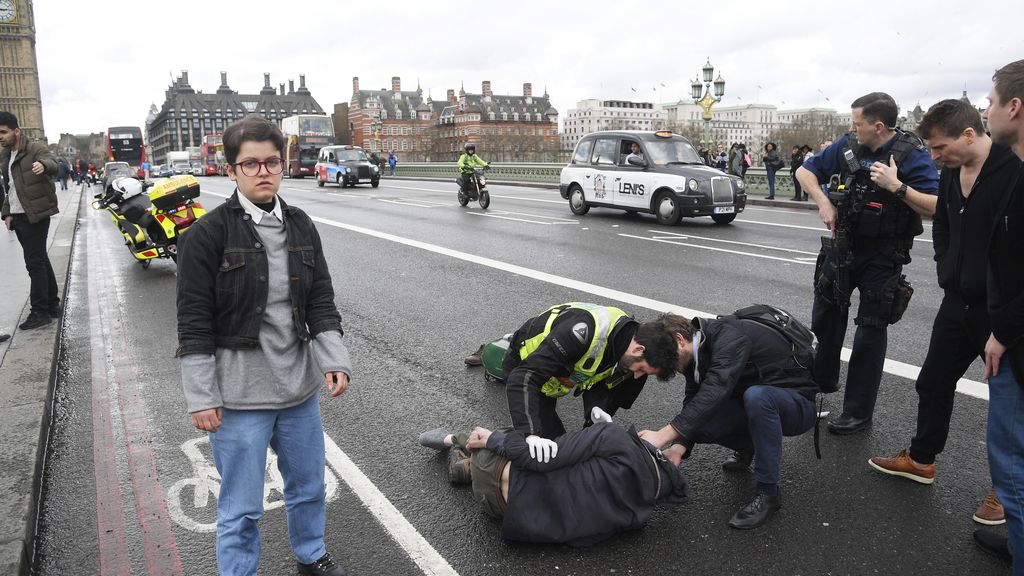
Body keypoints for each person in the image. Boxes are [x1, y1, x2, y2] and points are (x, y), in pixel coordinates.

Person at [175, 115, 352, 576]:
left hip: (298, 391)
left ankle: (311, 553)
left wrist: (333, 359)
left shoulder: (300, 224)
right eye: (249, 164)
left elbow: (320, 299)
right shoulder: (206, 235)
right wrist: (201, 394)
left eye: (271, 162)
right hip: (238, 397)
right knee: (241, 507)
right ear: (230, 170)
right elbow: (193, 321)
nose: (262, 172)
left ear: (283, 163)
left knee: (310, 487)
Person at [867, 99, 1019, 528]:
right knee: (933, 381)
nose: (934, 158)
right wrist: (945, 264)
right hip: (959, 301)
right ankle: (921, 459)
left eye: (939, 148)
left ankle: (1005, 491)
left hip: (1001, 307)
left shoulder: (1014, 168)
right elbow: (945, 221)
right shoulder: (953, 172)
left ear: (969, 135)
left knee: (1009, 405)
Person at [795, 92, 939, 435]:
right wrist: (823, 204)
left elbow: (936, 204)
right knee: (826, 317)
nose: (851, 128)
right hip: (843, 244)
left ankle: (858, 412)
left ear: (878, 126)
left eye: (856, 123)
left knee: (871, 329)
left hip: (883, 253)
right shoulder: (847, 146)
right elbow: (804, 171)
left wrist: (896, 186)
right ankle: (818, 386)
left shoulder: (911, 154)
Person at [637, 309, 819, 529]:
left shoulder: (729, 336)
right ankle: (749, 447)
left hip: (798, 405)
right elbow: (695, 400)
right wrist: (678, 446)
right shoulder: (695, 351)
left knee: (758, 397)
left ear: (679, 339)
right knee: (699, 423)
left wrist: (664, 434)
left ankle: (769, 494)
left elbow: (717, 387)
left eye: (668, 356)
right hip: (760, 403)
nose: (668, 366)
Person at [416, 418, 688, 546]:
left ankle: (454, 440)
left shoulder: (615, 438)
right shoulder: (639, 517)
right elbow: (583, 539)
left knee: (519, 437)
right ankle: (467, 469)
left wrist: (494, 439)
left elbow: (544, 458)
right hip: (501, 510)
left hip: (494, 469)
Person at [466, 302, 678, 460]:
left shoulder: (629, 343)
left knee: (559, 449)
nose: (638, 375)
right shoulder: (582, 333)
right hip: (525, 364)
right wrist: (530, 433)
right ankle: (477, 449)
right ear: (638, 349)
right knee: (541, 449)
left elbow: (599, 378)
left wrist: (594, 408)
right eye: (641, 369)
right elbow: (522, 378)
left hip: (556, 377)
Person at [977, 58, 1024, 569]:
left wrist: (1003, 332)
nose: (986, 110)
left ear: (1014, 107)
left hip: (1016, 343)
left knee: (1011, 468)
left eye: (991, 101)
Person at [0, 111, 60, 331]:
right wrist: (6, 213)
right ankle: (52, 304)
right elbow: (9, 189)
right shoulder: (5, 156)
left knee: (34, 263)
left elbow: (53, 162)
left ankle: (40, 312)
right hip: (18, 215)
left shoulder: (34, 148)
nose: (1, 137)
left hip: (36, 213)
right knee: (40, 259)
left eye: (4, 132)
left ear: (17, 131)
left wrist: (43, 166)